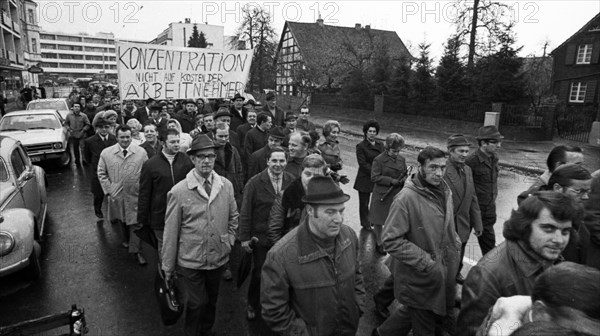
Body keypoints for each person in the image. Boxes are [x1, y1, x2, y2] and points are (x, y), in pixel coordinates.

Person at [457, 191, 580, 336]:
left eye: (565, 231)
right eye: (548, 229)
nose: (559, 240)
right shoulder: (487, 275)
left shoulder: (548, 254)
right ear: (525, 226)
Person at [261, 175, 365, 335]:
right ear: (310, 210)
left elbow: (357, 275)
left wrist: (357, 306)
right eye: (330, 212)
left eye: (341, 211)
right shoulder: (279, 256)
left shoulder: (349, 236)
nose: (339, 219)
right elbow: (274, 312)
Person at [375, 146, 459, 336]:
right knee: (424, 323)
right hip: (418, 275)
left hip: (437, 271)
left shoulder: (444, 190)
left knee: (413, 311)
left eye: (443, 167)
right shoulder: (405, 199)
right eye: (433, 167)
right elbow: (391, 241)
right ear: (420, 167)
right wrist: (427, 263)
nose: (439, 173)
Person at [162, 134, 238, 336]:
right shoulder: (178, 192)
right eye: (201, 157)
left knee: (212, 300)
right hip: (191, 259)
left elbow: (233, 217)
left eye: (211, 156)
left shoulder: (226, 186)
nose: (206, 161)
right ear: (193, 159)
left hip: (218, 257)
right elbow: (170, 232)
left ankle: (206, 330)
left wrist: (229, 240)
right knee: (197, 302)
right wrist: (167, 268)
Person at [240, 147, 294, 321]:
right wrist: (244, 238)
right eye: (274, 161)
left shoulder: (292, 181)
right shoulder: (255, 183)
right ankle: (252, 303)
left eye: (282, 161)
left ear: (286, 162)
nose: (278, 165)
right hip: (260, 237)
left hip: (283, 237)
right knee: (260, 273)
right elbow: (246, 212)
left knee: (283, 274)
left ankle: (277, 306)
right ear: (267, 162)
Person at [97, 125, 149, 266]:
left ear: (131, 137)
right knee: (123, 220)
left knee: (136, 223)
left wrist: (144, 190)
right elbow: (101, 173)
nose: (125, 140)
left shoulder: (141, 152)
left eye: (128, 137)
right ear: (117, 137)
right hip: (117, 195)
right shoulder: (106, 153)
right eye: (122, 137)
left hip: (135, 194)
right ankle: (126, 239)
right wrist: (110, 190)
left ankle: (136, 251)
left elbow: (147, 172)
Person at [138, 128, 194, 255]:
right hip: (160, 214)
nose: (176, 145)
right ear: (163, 143)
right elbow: (144, 193)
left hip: (183, 212)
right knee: (165, 248)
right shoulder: (150, 165)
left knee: (182, 246)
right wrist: (143, 218)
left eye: (178, 141)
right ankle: (165, 273)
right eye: (172, 142)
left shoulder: (186, 160)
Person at [443, 134, 482, 283]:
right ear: (450, 151)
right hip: (447, 225)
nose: (465, 155)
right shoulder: (443, 171)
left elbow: (472, 198)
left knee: (460, 253)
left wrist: (477, 223)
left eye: (466, 151)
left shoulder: (468, 170)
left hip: (464, 224)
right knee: (446, 260)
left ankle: (456, 274)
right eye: (461, 151)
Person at [267, 154, 328, 245]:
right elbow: (274, 229)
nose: (311, 179)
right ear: (301, 174)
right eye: (308, 174)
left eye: (316, 176)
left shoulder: (329, 198)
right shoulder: (286, 195)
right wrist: (284, 253)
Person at [539, 163, 592, 264]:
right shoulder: (539, 220)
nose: (586, 197)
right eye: (578, 191)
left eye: (587, 192)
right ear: (557, 188)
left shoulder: (574, 214)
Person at [466, 125, 503, 256]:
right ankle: (455, 273)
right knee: (462, 241)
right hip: (471, 210)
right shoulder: (471, 161)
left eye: (500, 142)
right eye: (495, 142)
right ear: (483, 143)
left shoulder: (494, 158)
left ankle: (491, 273)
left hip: (488, 209)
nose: (499, 145)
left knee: (489, 245)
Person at [369, 133, 408, 255]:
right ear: (387, 148)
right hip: (382, 194)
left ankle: (391, 241)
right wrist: (391, 181)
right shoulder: (379, 160)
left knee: (393, 220)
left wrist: (402, 180)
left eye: (398, 151)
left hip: (396, 194)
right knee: (378, 220)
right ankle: (379, 243)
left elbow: (405, 172)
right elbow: (374, 177)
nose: (396, 153)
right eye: (393, 151)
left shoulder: (402, 159)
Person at [518, 145, 584, 204]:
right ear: (560, 166)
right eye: (577, 165)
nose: (581, 170)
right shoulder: (537, 197)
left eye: (581, 166)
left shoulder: (567, 186)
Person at [353, 119, 384, 231]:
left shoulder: (380, 145)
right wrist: (375, 171)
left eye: (374, 131)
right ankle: (365, 222)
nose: (372, 133)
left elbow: (383, 159)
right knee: (364, 202)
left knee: (375, 201)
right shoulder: (361, 146)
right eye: (370, 131)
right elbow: (362, 164)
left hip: (377, 178)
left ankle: (372, 219)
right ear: (366, 132)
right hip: (365, 178)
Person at [83, 117, 116, 219]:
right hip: (97, 171)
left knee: (113, 194)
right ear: (97, 128)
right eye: (101, 127)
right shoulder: (90, 141)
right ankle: (98, 210)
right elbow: (87, 157)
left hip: (113, 171)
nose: (104, 130)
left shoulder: (114, 139)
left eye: (106, 127)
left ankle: (114, 215)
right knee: (98, 194)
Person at [212, 124, 244, 209]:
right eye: (220, 136)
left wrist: (240, 187)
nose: (223, 139)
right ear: (214, 135)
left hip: (232, 190)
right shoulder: (210, 151)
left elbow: (239, 170)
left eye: (226, 136)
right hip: (215, 190)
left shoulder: (233, 150)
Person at [64, 101, 91, 166]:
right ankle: (77, 160)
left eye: (78, 107)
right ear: (73, 108)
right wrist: (69, 129)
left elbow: (88, 124)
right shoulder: (69, 115)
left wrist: (83, 130)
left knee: (83, 148)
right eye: (75, 106)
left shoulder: (84, 116)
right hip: (73, 134)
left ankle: (84, 160)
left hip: (82, 134)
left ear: (80, 108)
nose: (77, 108)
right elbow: (66, 123)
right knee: (75, 149)